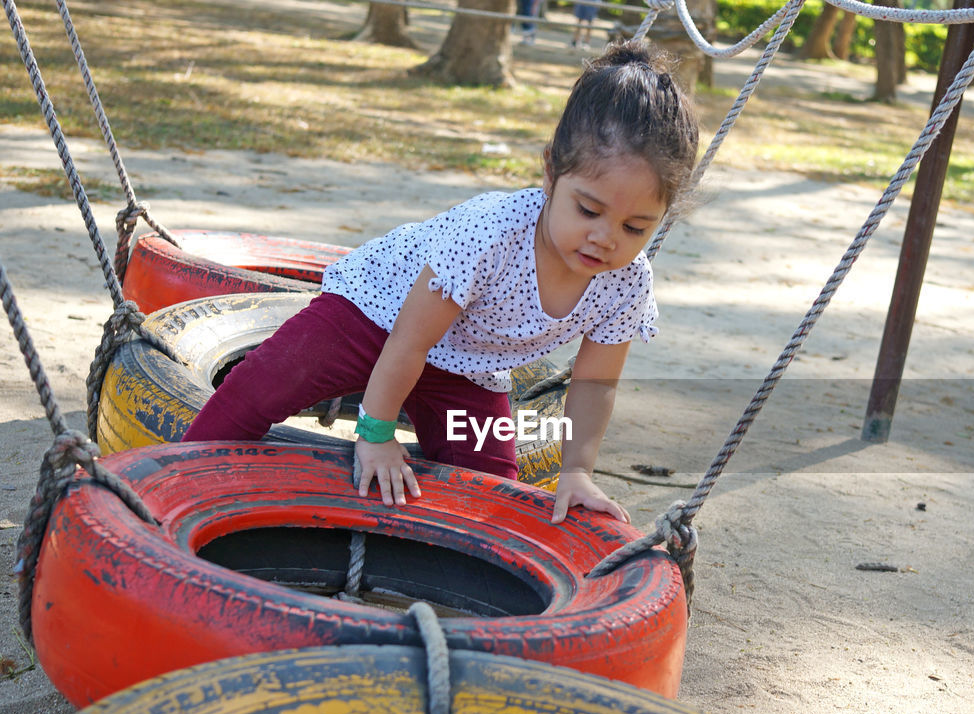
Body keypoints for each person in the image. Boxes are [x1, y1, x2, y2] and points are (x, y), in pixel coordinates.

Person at [182, 42, 700, 525]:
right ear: (550, 173)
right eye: (588, 209)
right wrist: (376, 433)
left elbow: (595, 384)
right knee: (264, 383)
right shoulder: (491, 233)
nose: (606, 238)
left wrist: (577, 471)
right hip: (374, 317)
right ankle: (176, 477)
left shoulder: (626, 283)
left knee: (489, 485)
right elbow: (410, 340)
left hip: (465, 368)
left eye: (636, 227)